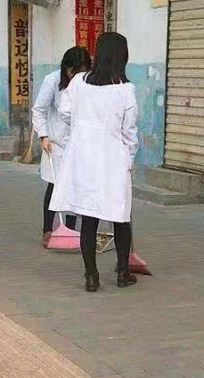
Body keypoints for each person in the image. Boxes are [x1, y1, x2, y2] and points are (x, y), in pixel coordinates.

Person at [52, 32, 139, 292]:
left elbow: (65, 111)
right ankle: (123, 272)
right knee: (120, 217)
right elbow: (129, 131)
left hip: (84, 159)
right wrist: (129, 159)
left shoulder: (78, 82)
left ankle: (91, 276)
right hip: (113, 160)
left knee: (88, 219)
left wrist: (82, 128)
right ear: (122, 56)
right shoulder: (125, 89)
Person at [29, 46, 91, 246]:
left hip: (79, 142)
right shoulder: (52, 81)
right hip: (56, 143)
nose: (77, 76)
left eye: (82, 72)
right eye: (74, 72)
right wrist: (43, 136)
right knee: (55, 186)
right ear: (66, 68)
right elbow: (39, 110)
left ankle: (70, 231)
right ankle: (48, 230)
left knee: (75, 188)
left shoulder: (89, 82)